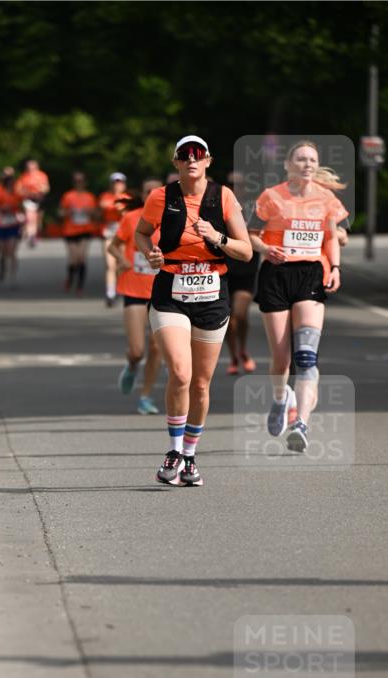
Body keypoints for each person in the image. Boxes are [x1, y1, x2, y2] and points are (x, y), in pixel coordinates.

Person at [135, 135, 252, 486]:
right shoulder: (161, 197)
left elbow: (245, 252)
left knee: (201, 384)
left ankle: (189, 456)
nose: (191, 160)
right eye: (184, 155)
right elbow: (142, 234)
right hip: (171, 292)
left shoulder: (223, 197)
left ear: (208, 161)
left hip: (212, 295)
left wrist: (217, 238)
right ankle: (172, 450)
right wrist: (150, 253)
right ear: (175, 163)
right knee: (181, 374)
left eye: (198, 155)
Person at [248, 140, 347, 452]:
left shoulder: (326, 198)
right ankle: (280, 399)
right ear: (288, 166)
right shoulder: (271, 197)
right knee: (281, 360)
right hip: (276, 275)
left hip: (310, 275)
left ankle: (301, 422)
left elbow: (331, 236)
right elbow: (250, 235)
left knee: (306, 357)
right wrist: (265, 248)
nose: (307, 165)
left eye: (312, 160)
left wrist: (335, 267)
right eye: (301, 159)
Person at [107, 180, 163, 414]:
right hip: (134, 289)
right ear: (142, 195)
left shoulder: (172, 219)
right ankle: (131, 366)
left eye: (155, 192)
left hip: (163, 292)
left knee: (157, 346)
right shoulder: (132, 218)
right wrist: (121, 260)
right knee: (138, 350)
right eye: (147, 191)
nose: (151, 195)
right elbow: (113, 246)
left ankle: (145, 396)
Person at [223, 170, 259, 375]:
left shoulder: (254, 208)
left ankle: (243, 348)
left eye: (240, 184)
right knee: (228, 317)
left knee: (240, 314)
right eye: (232, 183)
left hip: (247, 269)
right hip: (225, 270)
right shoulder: (221, 206)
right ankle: (234, 355)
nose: (237, 188)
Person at [59, 172, 98, 295]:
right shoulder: (68, 196)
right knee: (73, 259)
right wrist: (68, 212)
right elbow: (60, 213)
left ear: (85, 182)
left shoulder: (90, 197)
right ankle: (70, 279)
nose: (79, 183)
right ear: (73, 182)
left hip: (85, 230)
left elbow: (97, 215)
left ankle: (80, 285)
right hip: (70, 230)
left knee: (81, 257)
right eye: (76, 181)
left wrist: (90, 212)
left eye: (81, 181)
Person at [0, 168, 24, 286]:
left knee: (12, 252)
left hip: (13, 224)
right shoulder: (0, 193)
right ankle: (2, 268)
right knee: (4, 252)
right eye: (9, 183)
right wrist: (2, 209)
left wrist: (18, 213)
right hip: (2, 224)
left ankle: (12, 277)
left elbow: (22, 207)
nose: (11, 185)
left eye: (12, 183)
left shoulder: (17, 195)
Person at [99, 172, 129, 306]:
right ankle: (110, 293)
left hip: (123, 235)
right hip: (109, 233)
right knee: (109, 264)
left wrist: (119, 208)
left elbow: (127, 213)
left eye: (120, 182)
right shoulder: (105, 196)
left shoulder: (127, 198)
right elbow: (103, 206)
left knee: (121, 264)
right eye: (115, 183)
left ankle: (121, 288)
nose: (117, 185)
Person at [15, 159, 50, 247]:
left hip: (39, 199)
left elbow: (46, 188)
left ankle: (34, 233)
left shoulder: (42, 175)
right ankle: (31, 236)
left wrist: (39, 191)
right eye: (29, 167)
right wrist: (27, 193)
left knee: (38, 220)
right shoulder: (24, 177)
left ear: (36, 167)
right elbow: (18, 190)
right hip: (28, 199)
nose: (30, 169)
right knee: (30, 218)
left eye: (32, 167)